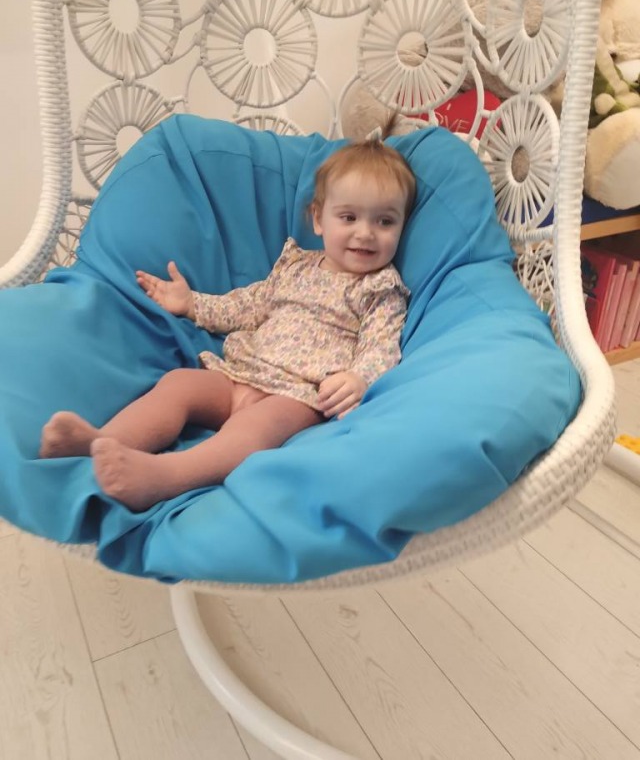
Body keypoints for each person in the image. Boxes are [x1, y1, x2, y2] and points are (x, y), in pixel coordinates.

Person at [39, 119, 417, 510]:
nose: (365, 233)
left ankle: (164, 477)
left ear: (402, 225)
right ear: (319, 219)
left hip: (296, 396)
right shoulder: (296, 266)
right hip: (238, 373)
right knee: (179, 384)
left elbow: (382, 345)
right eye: (349, 218)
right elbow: (248, 306)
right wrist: (193, 304)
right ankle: (102, 441)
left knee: (250, 432)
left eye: (385, 221)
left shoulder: (379, 289)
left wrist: (359, 378)